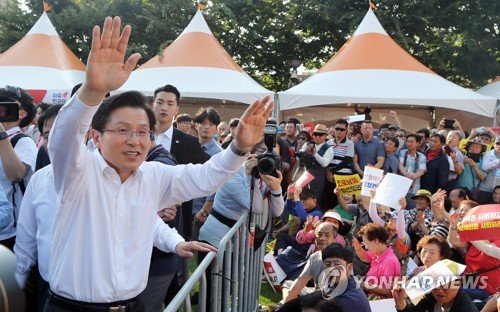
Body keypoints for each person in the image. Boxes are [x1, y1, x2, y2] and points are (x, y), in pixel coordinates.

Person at [44, 16, 273, 310]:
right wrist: (92, 91)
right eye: (123, 130)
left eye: (142, 132)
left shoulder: (154, 176)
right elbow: (63, 138)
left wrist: (239, 147)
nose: (134, 140)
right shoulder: (77, 171)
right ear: (97, 137)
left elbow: (206, 177)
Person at [275, 243, 371, 312]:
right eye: (328, 264)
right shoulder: (340, 284)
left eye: (337, 264)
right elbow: (306, 299)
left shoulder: (348, 300)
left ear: (349, 267)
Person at [0, 86, 37, 250]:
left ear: (22, 114)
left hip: (11, 232)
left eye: (8, 105)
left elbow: (16, 175)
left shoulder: (23, 142)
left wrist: (1, 135)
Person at [392, 271, 479, 312]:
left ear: (458, 283)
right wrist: (399, 300)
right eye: (435, 285)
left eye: (445, 285)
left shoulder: (467, 309)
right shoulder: (431, 295)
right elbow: (412, 310)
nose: (439, 290)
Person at [399, 133, 427, 209]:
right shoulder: (402, 152)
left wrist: (413, 177)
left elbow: (422, 171)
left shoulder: (421, 156)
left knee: (411, 210)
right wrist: (406, 175)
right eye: (407, 141)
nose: (409, 144)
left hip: (413, 189)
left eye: (411, 142)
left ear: (417, 143)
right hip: (400, 188)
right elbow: (400, 165)